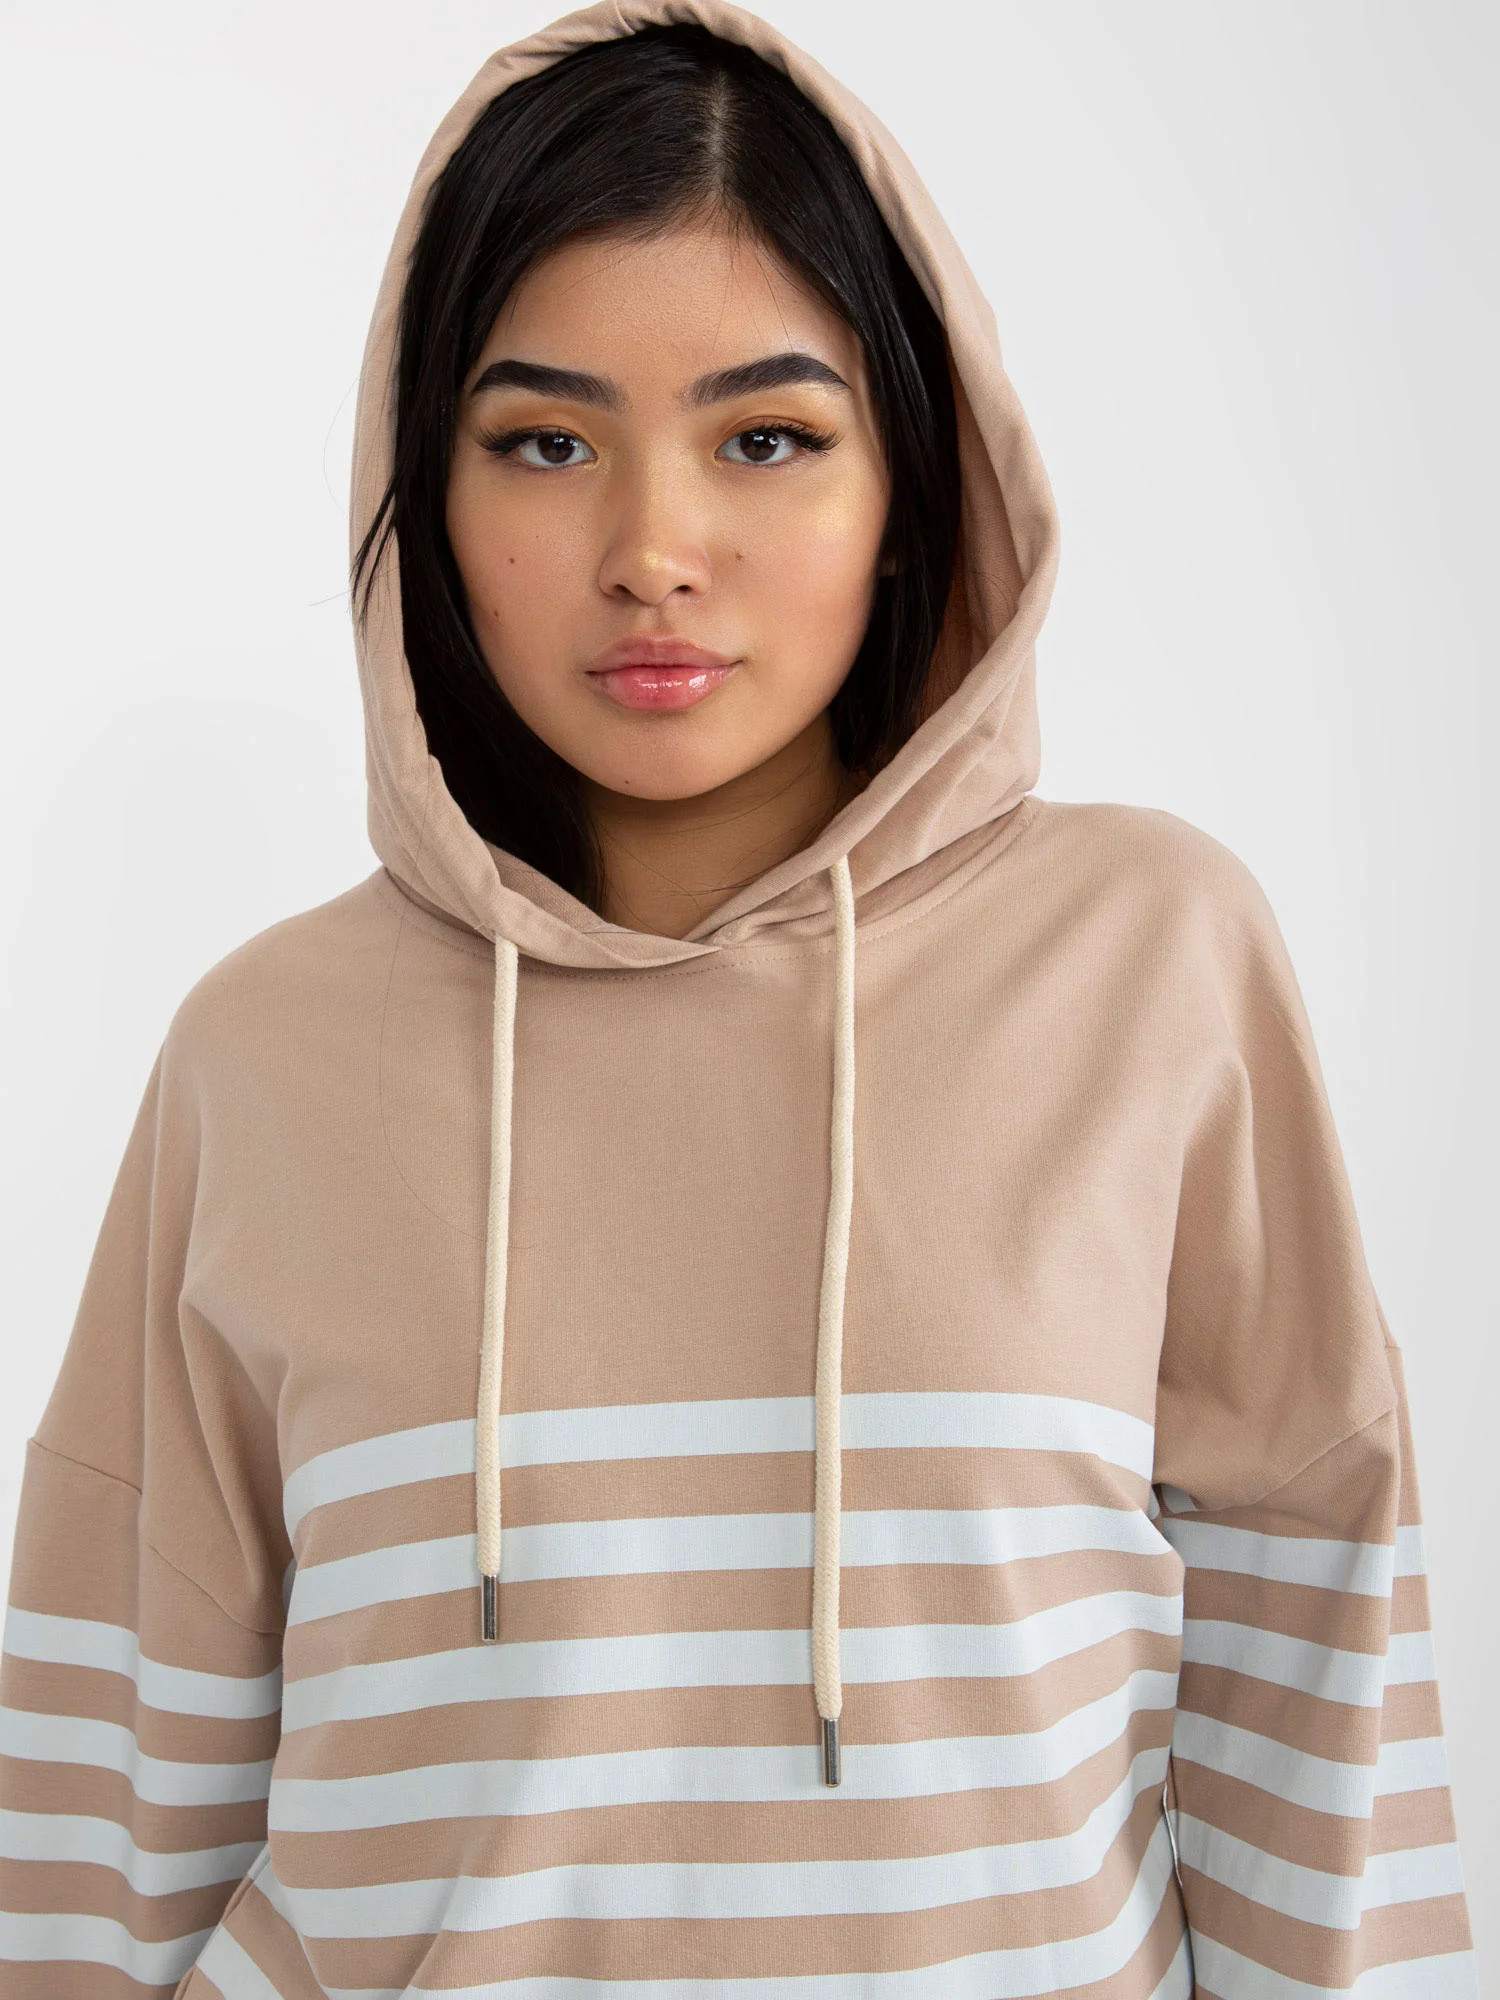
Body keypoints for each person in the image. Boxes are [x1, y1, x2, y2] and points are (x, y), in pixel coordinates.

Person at [0, 2, 1476, 1994]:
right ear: (427, 491)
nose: (654, 550)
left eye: (766, 437)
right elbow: (105, 1812)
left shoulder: (1150, 960)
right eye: (545, 443)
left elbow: (1318, 1681)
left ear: (912, 480)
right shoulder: (259, 1055)